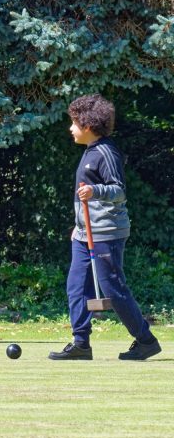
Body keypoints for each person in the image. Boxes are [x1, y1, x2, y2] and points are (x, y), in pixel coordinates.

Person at [49, 94, 161, 361]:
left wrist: (95, 190)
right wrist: (78, 227)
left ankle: (146, 340)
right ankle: (81, 344)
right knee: (76, 285)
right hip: (85, 233)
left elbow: (118, 191)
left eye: (74, 123)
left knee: (112, 288)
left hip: (106, 232)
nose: (70, 128)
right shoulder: (90, 151)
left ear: (88, 125)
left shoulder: (106, 152)